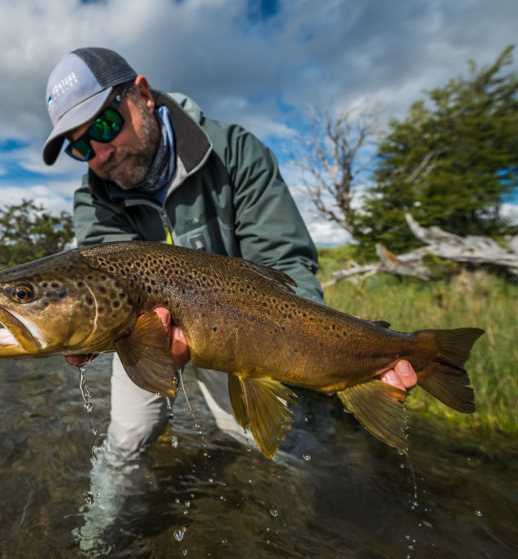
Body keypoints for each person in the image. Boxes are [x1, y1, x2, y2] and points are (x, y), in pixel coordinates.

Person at [42, 47, 417, 460]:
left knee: (269, 446)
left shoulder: (235, 151)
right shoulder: (92, 198)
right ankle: (98, 526)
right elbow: (108, 289)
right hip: (142, 339)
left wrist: (325, 349)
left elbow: (285, 261)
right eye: (79, 150)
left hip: (248, 328)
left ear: (142, 95)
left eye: (107, 125)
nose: (99, 153)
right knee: (126, 442)